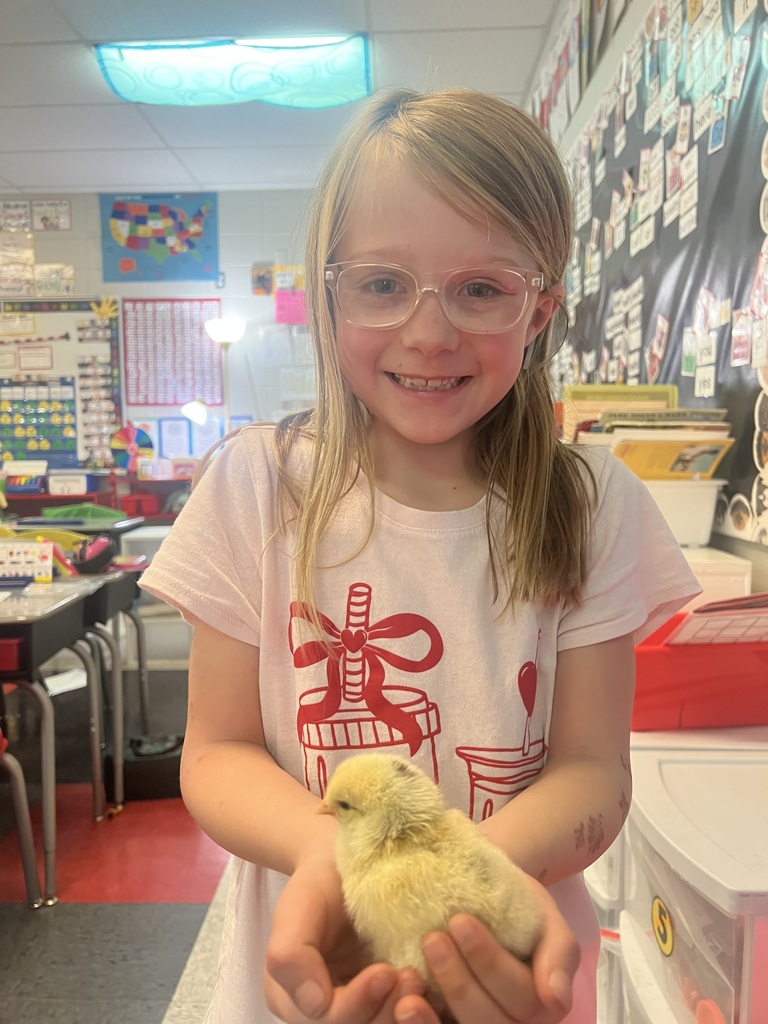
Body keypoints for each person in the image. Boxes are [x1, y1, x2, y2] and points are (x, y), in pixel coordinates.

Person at [140, 87, 700, 1024]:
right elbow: (218, 751)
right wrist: (331, 855)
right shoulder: (253, 489)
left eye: (482, 289)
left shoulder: (597, 508)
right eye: (383, 284)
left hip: (510, 977)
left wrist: (468, 882)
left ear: (541, 309)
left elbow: (594, 770)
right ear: (329, 295)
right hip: (302, 976)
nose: (430, 332)